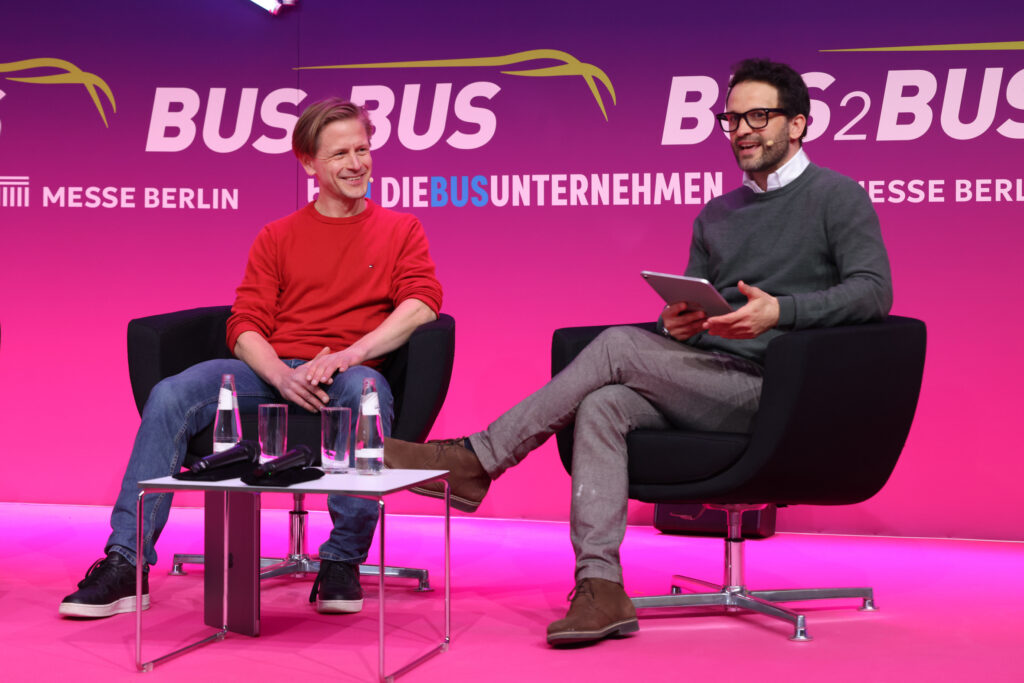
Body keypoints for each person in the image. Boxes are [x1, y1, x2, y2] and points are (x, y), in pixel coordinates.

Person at [383, 58, 893, 646]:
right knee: (603, 404)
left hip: (781, 393)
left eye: (758, 116)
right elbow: (694, 310)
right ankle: (600, 587)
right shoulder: (717, 214)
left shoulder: (837, 197)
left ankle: (479, 458)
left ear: (798, 124)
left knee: (619, 344)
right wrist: (677, 324)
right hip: (710, 377)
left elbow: (873, 291)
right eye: (732, 119)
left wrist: (781, 312)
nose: (741, 131)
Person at [60, 98, 443, 618]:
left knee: (366, 391)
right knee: (171, 393)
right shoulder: (278, 235)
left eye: (362, 149)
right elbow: (243, 326)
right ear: (308, 163)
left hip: (348, 373)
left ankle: (342, 559)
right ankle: (126, 562)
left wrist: (350, 355)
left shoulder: (400, 229)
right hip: (271, 371)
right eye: (340, 154)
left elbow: (423, 304)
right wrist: (282, 377)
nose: (357, 164)